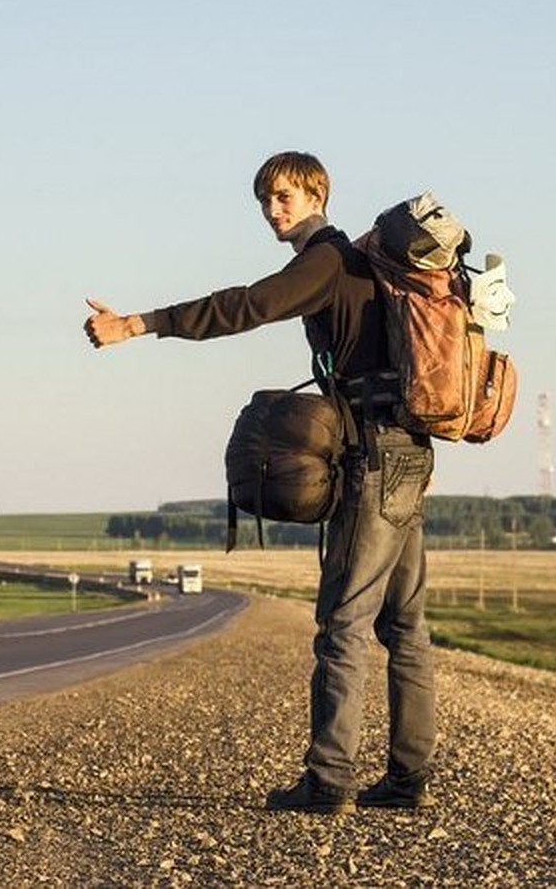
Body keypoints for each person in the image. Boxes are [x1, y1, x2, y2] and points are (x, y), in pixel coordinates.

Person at [83, 151, 437, 815]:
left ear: (317, 195)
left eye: (285, 197)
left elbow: (246, 307)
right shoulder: (355, 264)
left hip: (375, 460)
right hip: (409, 453)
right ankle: (407, 779)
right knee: (405, 624)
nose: (274, 210)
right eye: (266, 201)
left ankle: (329, 781)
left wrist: (140, 324)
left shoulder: (327, 261)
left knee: (344, 623)